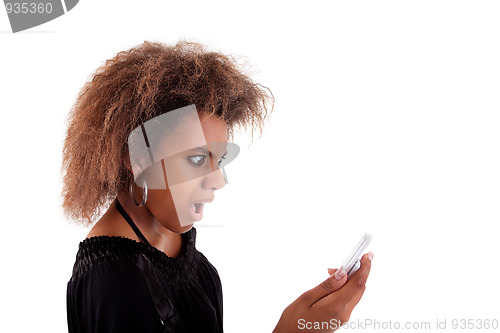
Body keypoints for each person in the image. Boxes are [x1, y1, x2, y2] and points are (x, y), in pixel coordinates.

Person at [62, 40, 373, 333]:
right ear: (138, 158)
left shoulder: (196, 267)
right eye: (198, 159)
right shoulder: (113, 280)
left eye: (219, 160)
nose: (218, 181)